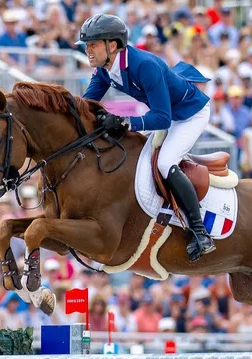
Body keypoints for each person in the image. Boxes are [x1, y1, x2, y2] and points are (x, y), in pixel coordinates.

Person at [78, 13, 215, 262]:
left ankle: (199, 231)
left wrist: (125, 121)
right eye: (86, 46)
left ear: (112, 45)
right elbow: (85, 105)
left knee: (164, 162)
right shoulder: (104, 69)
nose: (88, 50)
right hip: (167, 113)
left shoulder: (145, 65)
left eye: (93, 45)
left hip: (189, 115)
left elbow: (162, 118)